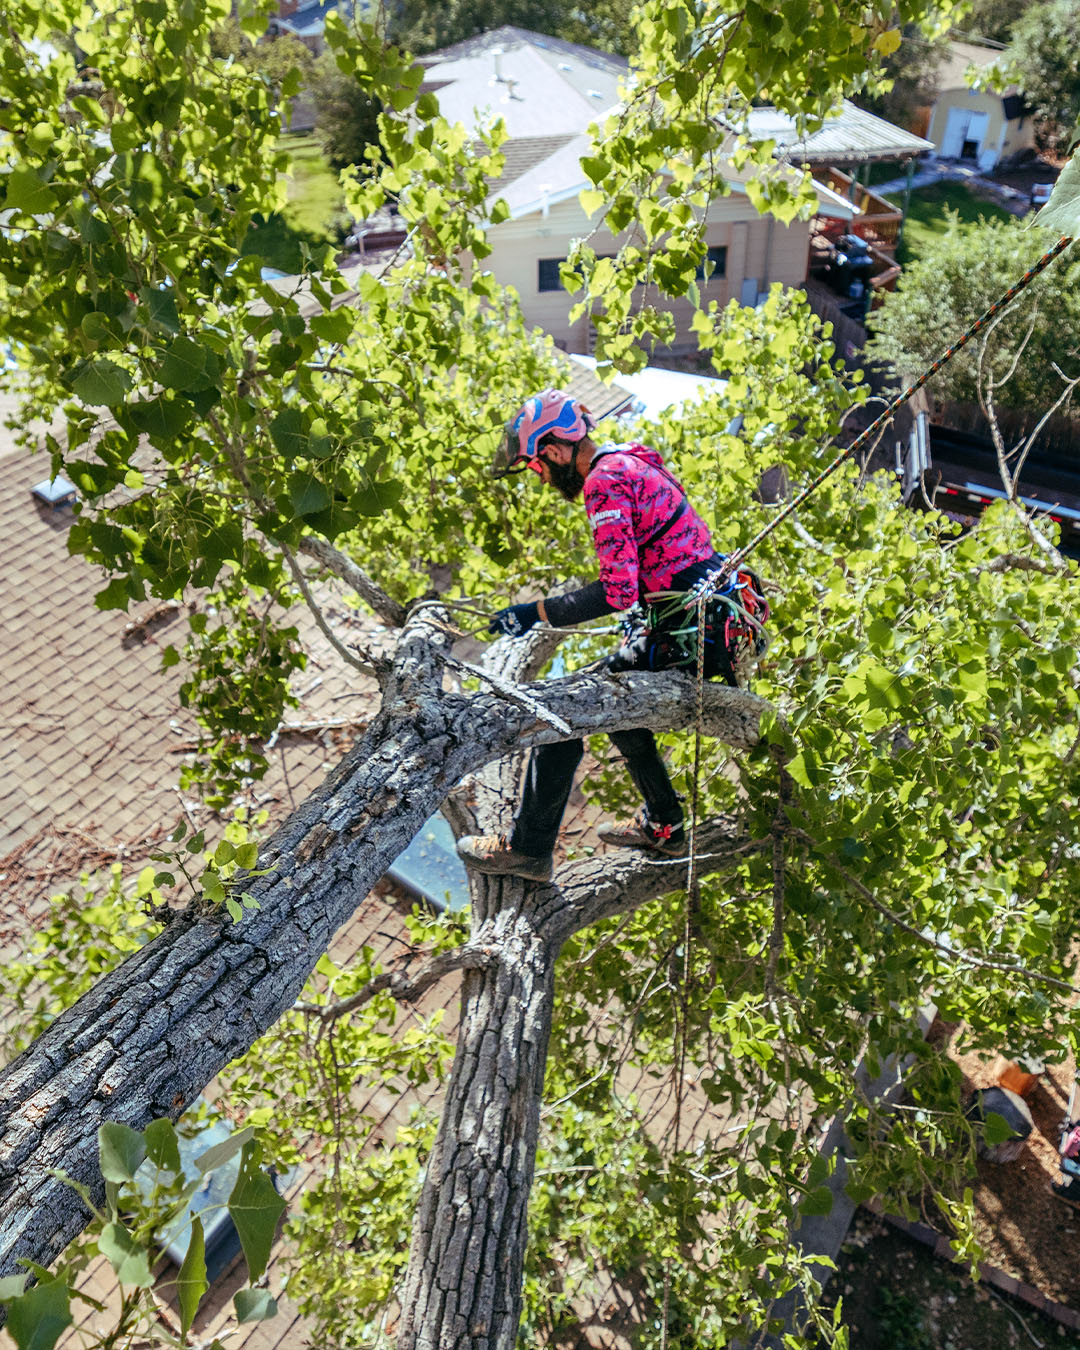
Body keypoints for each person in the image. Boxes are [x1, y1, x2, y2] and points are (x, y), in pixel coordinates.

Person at [455, 389, 768, 884]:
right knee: (620, 713)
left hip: (690, 631)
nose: (541, 476)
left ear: (555, 450)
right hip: (701, 625)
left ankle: (529, 849)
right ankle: (664, 823)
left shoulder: (603, 483)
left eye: (537, 465)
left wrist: (536, 611)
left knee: (562, 713)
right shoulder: (629, 457)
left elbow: (618, 592)